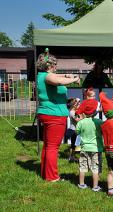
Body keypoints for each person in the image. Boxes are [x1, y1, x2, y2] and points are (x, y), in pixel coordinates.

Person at [36, 51, 80, 182]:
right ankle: (52, 177)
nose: (56, 67)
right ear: (50, 65)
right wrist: (74, 79)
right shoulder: (49, 77)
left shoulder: (42, 75)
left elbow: (55, 76)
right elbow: (57, 80)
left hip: (47, 113)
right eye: (55, 65)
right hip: (54, 115)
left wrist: (66, 74)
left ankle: (45, 173)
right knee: (53, 147)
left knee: (48, 145)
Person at [75, 99, 104, 192]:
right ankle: (95, 186)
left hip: (84, 148)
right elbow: (103, 132)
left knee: (82, 167)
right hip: (96, 148)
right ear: (95, 112)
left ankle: (81, 184)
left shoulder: (81, 122)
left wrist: (78, 122)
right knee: (95, 168)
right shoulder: (99, 122)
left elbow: (77, 132)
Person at [65, 98, 81, 162]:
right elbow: (78, 120)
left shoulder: (75, 111)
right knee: (73, 145)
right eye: (77, 103)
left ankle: (72, 157)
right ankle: (71, 157)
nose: (78, 104)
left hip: (75, 130)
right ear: (73, 105)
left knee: (74, 145)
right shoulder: (72, 112)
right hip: (73, 130)